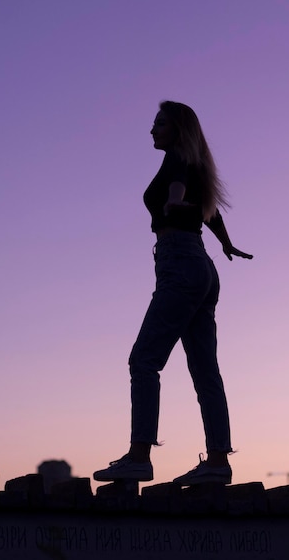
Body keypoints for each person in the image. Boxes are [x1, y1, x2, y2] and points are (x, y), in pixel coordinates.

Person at [94, 101, 253, 485]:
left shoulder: (179, 162)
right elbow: (210, 213)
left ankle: (139, 457)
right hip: (202, 268)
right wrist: (227, 246)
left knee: (144, 360)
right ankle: (217, 461)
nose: (152, 130)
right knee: (205, 371)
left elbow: (180, 184)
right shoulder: (196, 164)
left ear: (178, 129)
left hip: (180, 264)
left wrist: (174, 198)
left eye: (159, 123)